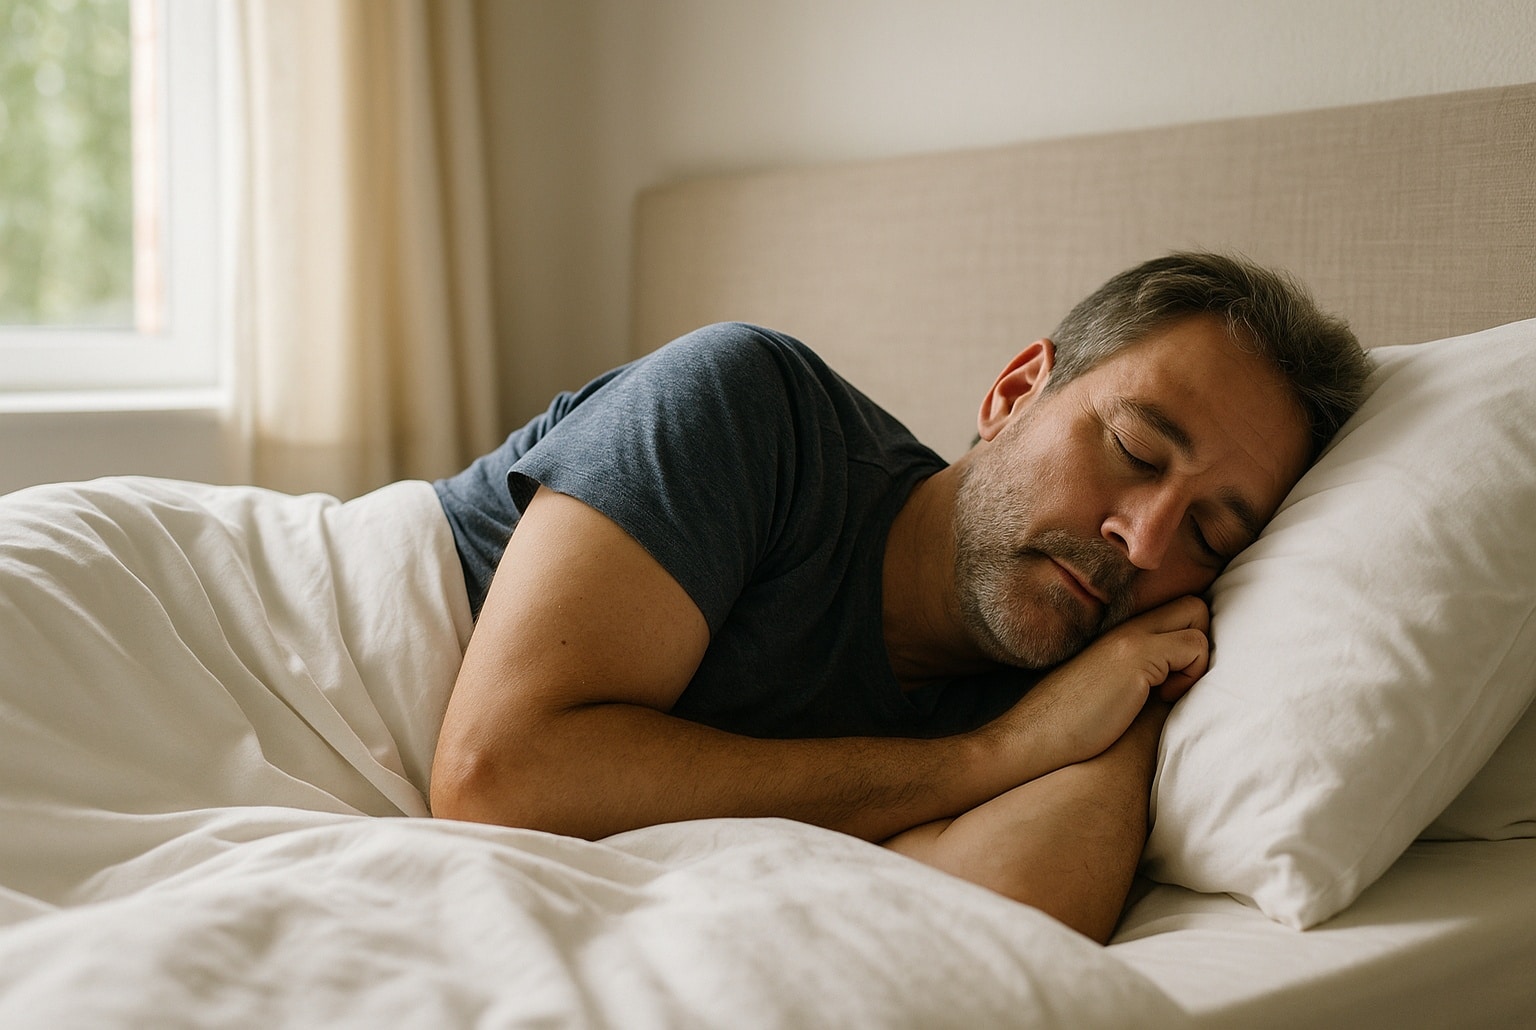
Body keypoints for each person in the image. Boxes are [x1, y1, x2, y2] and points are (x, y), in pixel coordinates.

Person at [428, 251, 1372, 943]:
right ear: (1013, 394)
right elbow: (496, 774)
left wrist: (1139, 698)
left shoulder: (1067, 684)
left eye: (1213, 536)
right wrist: (991, 757)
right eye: (1132, 451)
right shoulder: (754, 407)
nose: (1148, 540)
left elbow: (1006, 921)